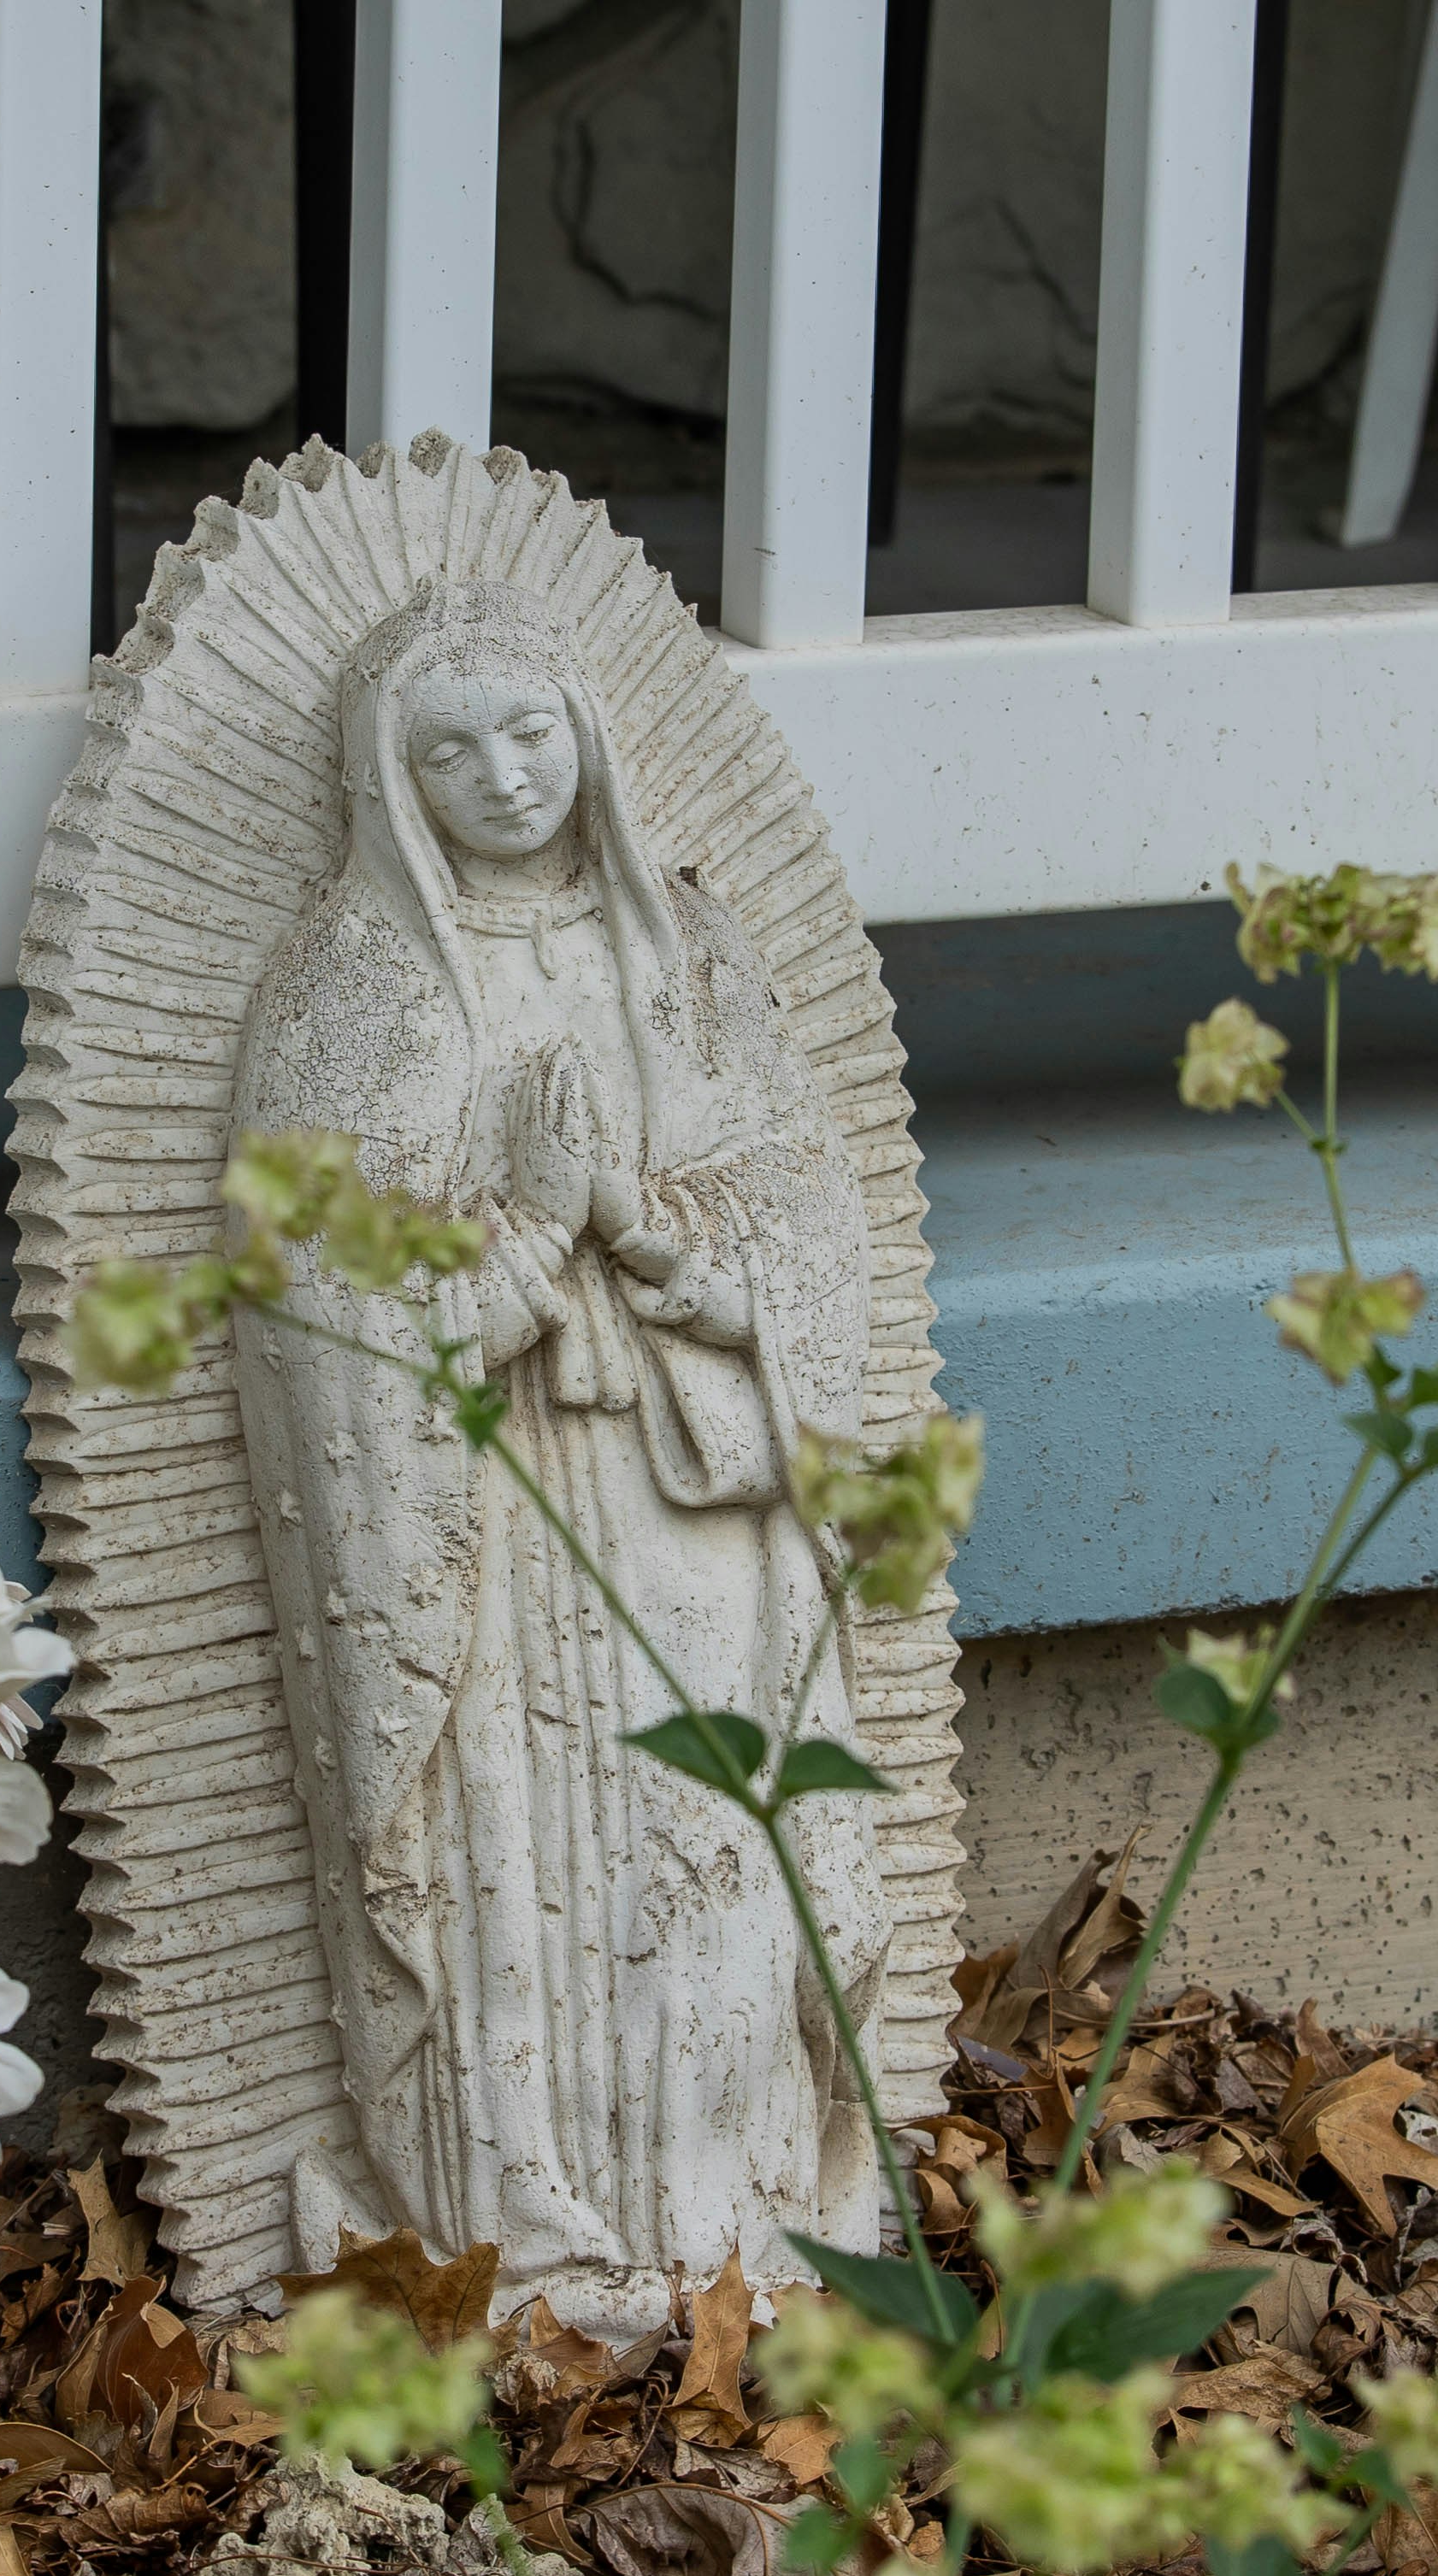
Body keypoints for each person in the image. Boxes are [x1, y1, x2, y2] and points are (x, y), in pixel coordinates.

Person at [230, 575, 892, 2326]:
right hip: (487, 1515)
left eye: (530, 732)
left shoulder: (678, 944)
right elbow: (309, 1273)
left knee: (708, 1831)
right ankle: (517, 2232)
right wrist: (517, 1242)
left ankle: (737, 2210)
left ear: (589, 736)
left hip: (683, 1489)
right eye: (451, 753)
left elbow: (806, 1212)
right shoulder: (345, 981)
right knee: (511, 1855)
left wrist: (645, 1218)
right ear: (392, 781)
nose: (504, 777)